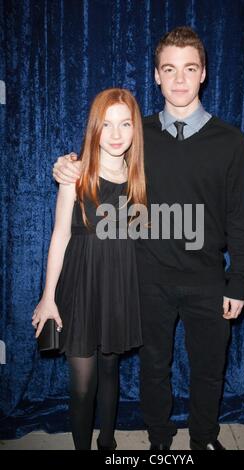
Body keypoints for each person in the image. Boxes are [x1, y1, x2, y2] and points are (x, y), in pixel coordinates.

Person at [52, 27, 244, 451]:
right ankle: (160, 445)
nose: (179, 79)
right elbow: (97, 156)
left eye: (189, 69)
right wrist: (66, 166)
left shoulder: (231, 141)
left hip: (207, 278)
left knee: (208, 369)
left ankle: (202, 441)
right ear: (156, 76)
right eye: (170, 69)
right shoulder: (136, 135)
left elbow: (242, 217)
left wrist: (239, 280)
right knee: (153, 369)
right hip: (146, 277)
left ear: (203, 74)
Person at [32, 88, 147, 450]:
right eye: (107, 124)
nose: (116, 134)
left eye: (125, 123)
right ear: (94, 128)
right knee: (82, 382)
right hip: (80, 285)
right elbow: (60, 235)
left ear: (135, 128)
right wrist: (48, 298)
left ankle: (108, 445)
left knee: (111, 370)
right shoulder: (76, 173)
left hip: (119, 285)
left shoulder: (140, 176)